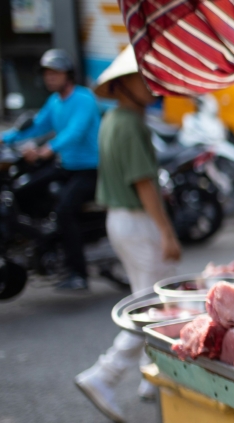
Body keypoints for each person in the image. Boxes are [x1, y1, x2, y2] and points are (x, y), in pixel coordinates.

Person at [73, 47, 181, 423]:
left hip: (121, 220)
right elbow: (144, 184)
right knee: (152, 307)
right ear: (122, 85)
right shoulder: (130, 124)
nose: (151, 85)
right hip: (137, 220)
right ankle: (105, 374)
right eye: (142, 77)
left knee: (149, 300)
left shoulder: (114, 119)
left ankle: (153, 378)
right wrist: (167, 232)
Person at [0, 49, 101, 291]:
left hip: (89, 170)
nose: (50, 78)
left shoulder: (84, 98)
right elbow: (35, 126)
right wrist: (5, 138)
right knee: (21, 191)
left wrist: (48, 149)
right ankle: (40, 240)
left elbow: (74, 132)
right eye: (47, 73)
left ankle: (78, 273)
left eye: (55, 73)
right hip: (64, 167)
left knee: (65, 211)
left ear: (68, 74)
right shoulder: (55, 102)